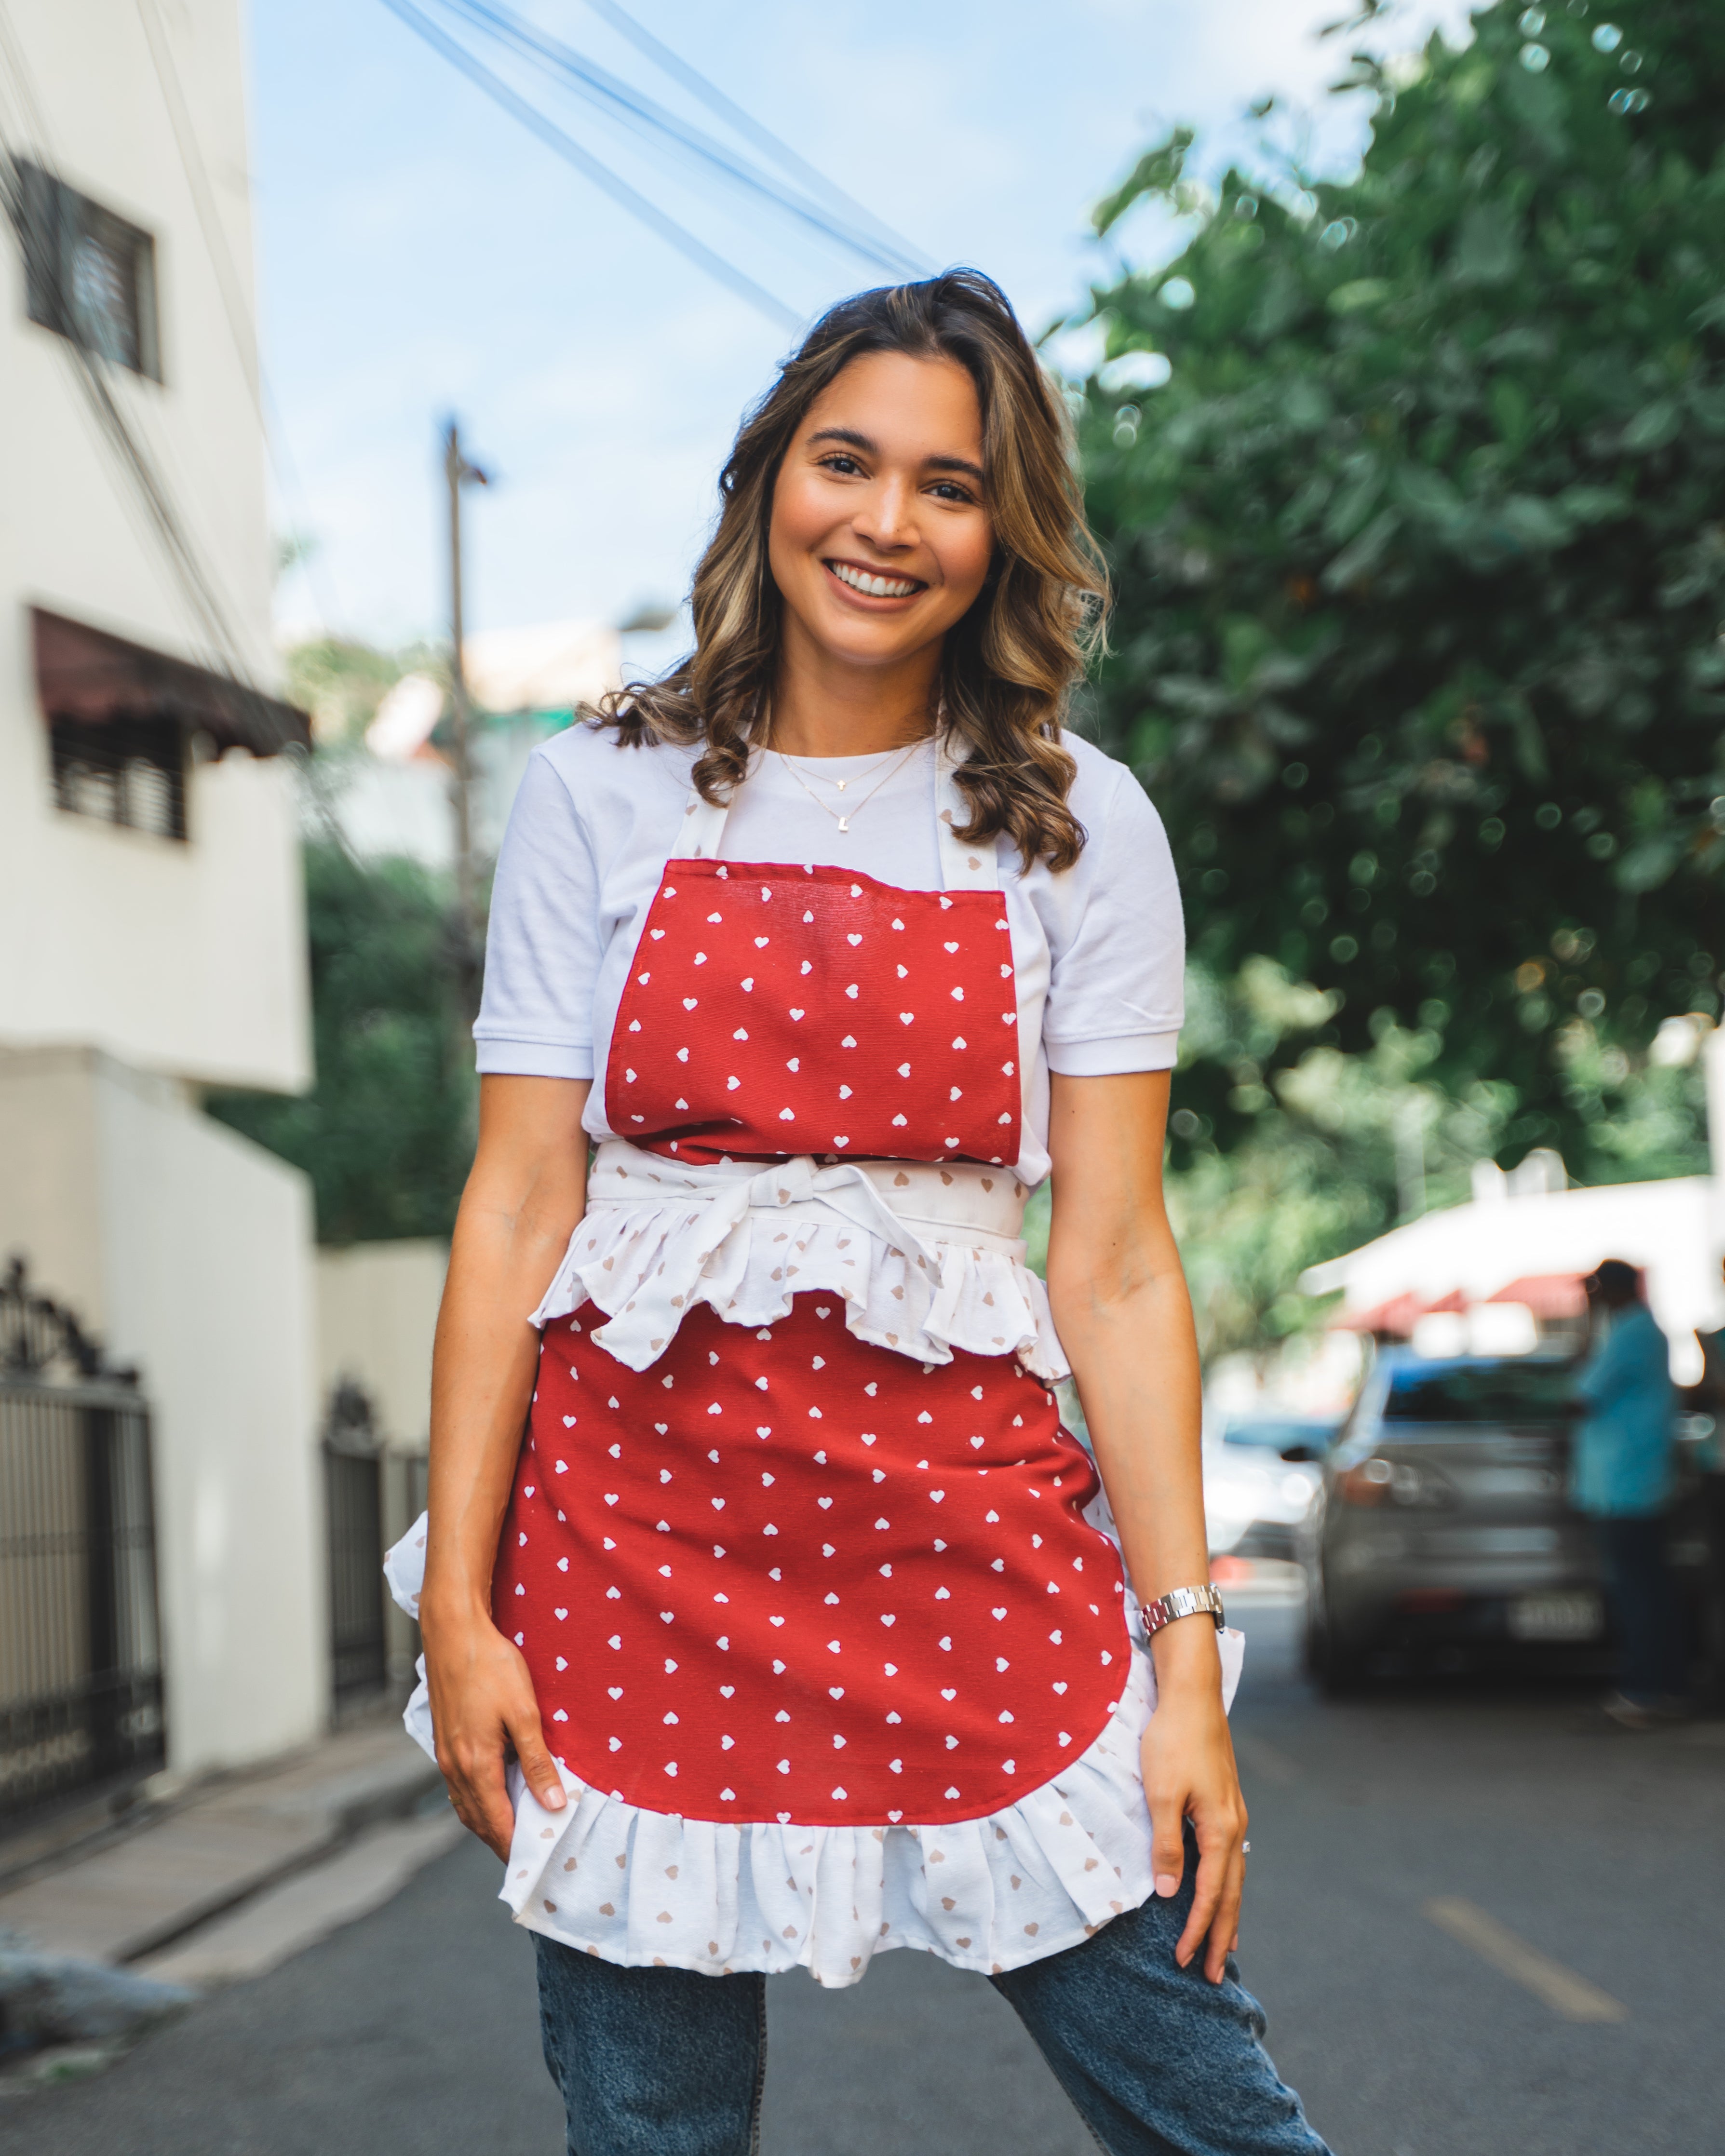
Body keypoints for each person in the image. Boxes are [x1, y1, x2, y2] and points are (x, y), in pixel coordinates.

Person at [387, 271, 1330, 2156]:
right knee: (652, 2137)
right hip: (627, 1545)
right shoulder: (597, 790)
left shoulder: (1078, 823)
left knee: (1212, 2117)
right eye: (847, 460)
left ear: (1006, 531)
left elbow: (1121, 1263)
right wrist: (463, 1615)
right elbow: (516, 1204)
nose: (887, 520)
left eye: (949, 482)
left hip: (964, 1539)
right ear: (768, 482)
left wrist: (1189, 1664)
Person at [1573, 1259, 1685, 1728]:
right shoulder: (1636, 1330)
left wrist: (1585, 1317)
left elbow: (1578, 1395)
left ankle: (1644, 1690)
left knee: (1637, 1590)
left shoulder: (1628, 1334)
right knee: (1648, 1587)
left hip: (1628, 1483)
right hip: (1631, 1480)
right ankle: (1663, 1685)